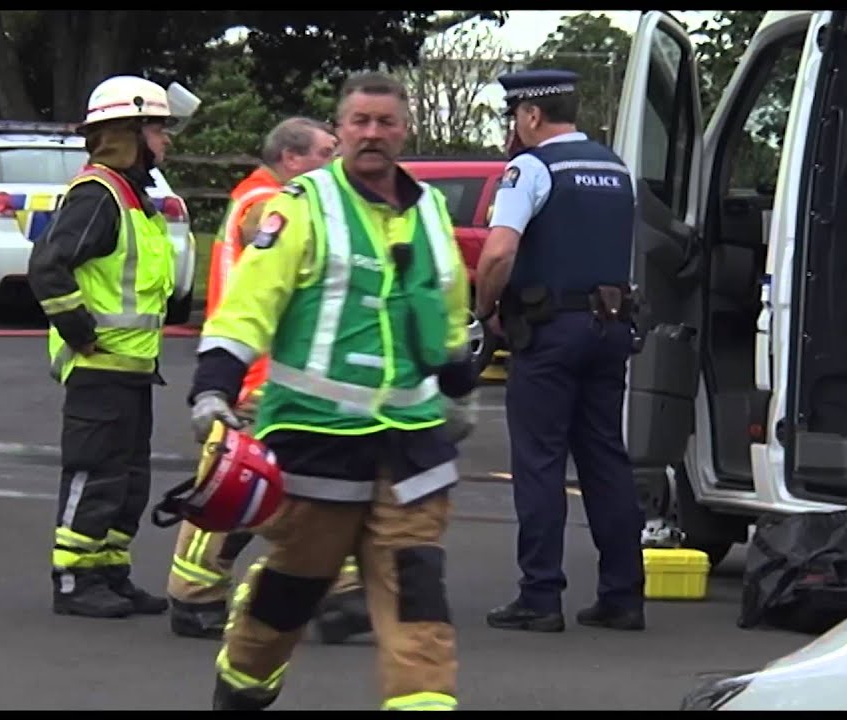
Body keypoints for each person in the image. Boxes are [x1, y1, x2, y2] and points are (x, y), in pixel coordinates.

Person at [185, 70, 476, 711]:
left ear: (404, 130)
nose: (372, 134)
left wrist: (458, 386)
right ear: (340, 129)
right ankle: (239, 691)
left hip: (412, 450)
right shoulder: (301, 206)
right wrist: (214, 388)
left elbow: (449, 307)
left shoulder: (430, 211)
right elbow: (249, 306)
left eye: (385, 122)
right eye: (360, 122)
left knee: (418, 597)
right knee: (291, 593)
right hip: (316, 440)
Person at [166, 116, 372, 645]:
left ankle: (337, 588)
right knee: (240, 488)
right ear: (292, 159)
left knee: (306, 482)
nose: (336, 160)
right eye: (327, 151)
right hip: (259, 374)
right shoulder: (267, 202)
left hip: (282, 375)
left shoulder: (277, 199)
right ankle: (197, 594)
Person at [473, 69, 647, 633]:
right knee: (605, 460)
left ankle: (540, 596)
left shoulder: (531, 167)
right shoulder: (614, 167)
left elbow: (499, 253)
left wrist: (484, 308)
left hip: (549, 333)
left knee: (540, 461)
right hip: (611, 326)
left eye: (514, 117)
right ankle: (624, 595)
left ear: (530, 115)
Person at [28, 74, 198, 619]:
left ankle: (108, 571)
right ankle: (74, 581)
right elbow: (49, 267)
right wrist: (78, 332)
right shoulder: (99, 196)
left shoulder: (132, 197)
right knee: (93, 470)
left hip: (131, 368)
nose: (167, 140)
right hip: (99, 366)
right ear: (130, 132)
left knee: (127, 479)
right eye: (158, 128)